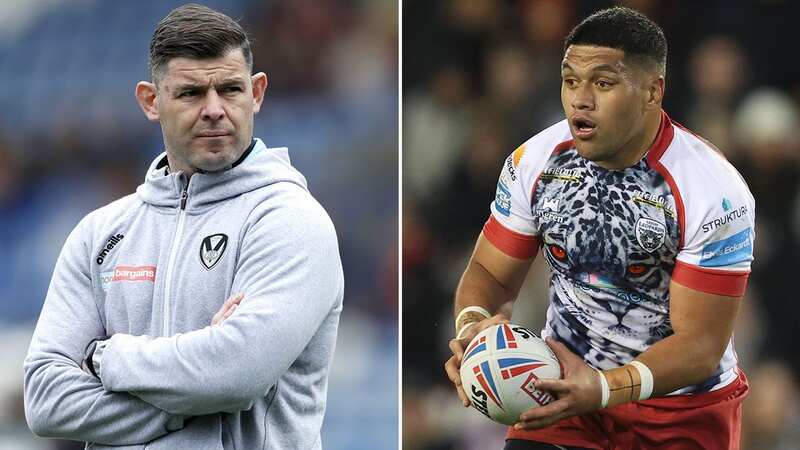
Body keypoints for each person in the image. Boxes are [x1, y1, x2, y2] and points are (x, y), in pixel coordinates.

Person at [23, 4, 344, 449]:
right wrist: (190, 399)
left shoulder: (291, 221)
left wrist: (106, 358)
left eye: (230, 89)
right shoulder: (100, 234)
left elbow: (235, 374)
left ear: (257, 93)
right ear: (151, 101)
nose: (214, 110)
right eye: (191, 93)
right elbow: (45, 400)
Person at [444, 7, 753, 450]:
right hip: (565, 391)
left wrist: (605, 386)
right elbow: (490, 274)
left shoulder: (713, 191)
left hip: (680, 412)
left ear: (652, 91)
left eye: (603, 83)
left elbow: (699, 347)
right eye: (571, 81)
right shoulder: (534, 162)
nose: (580, 99)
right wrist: (473, 326)